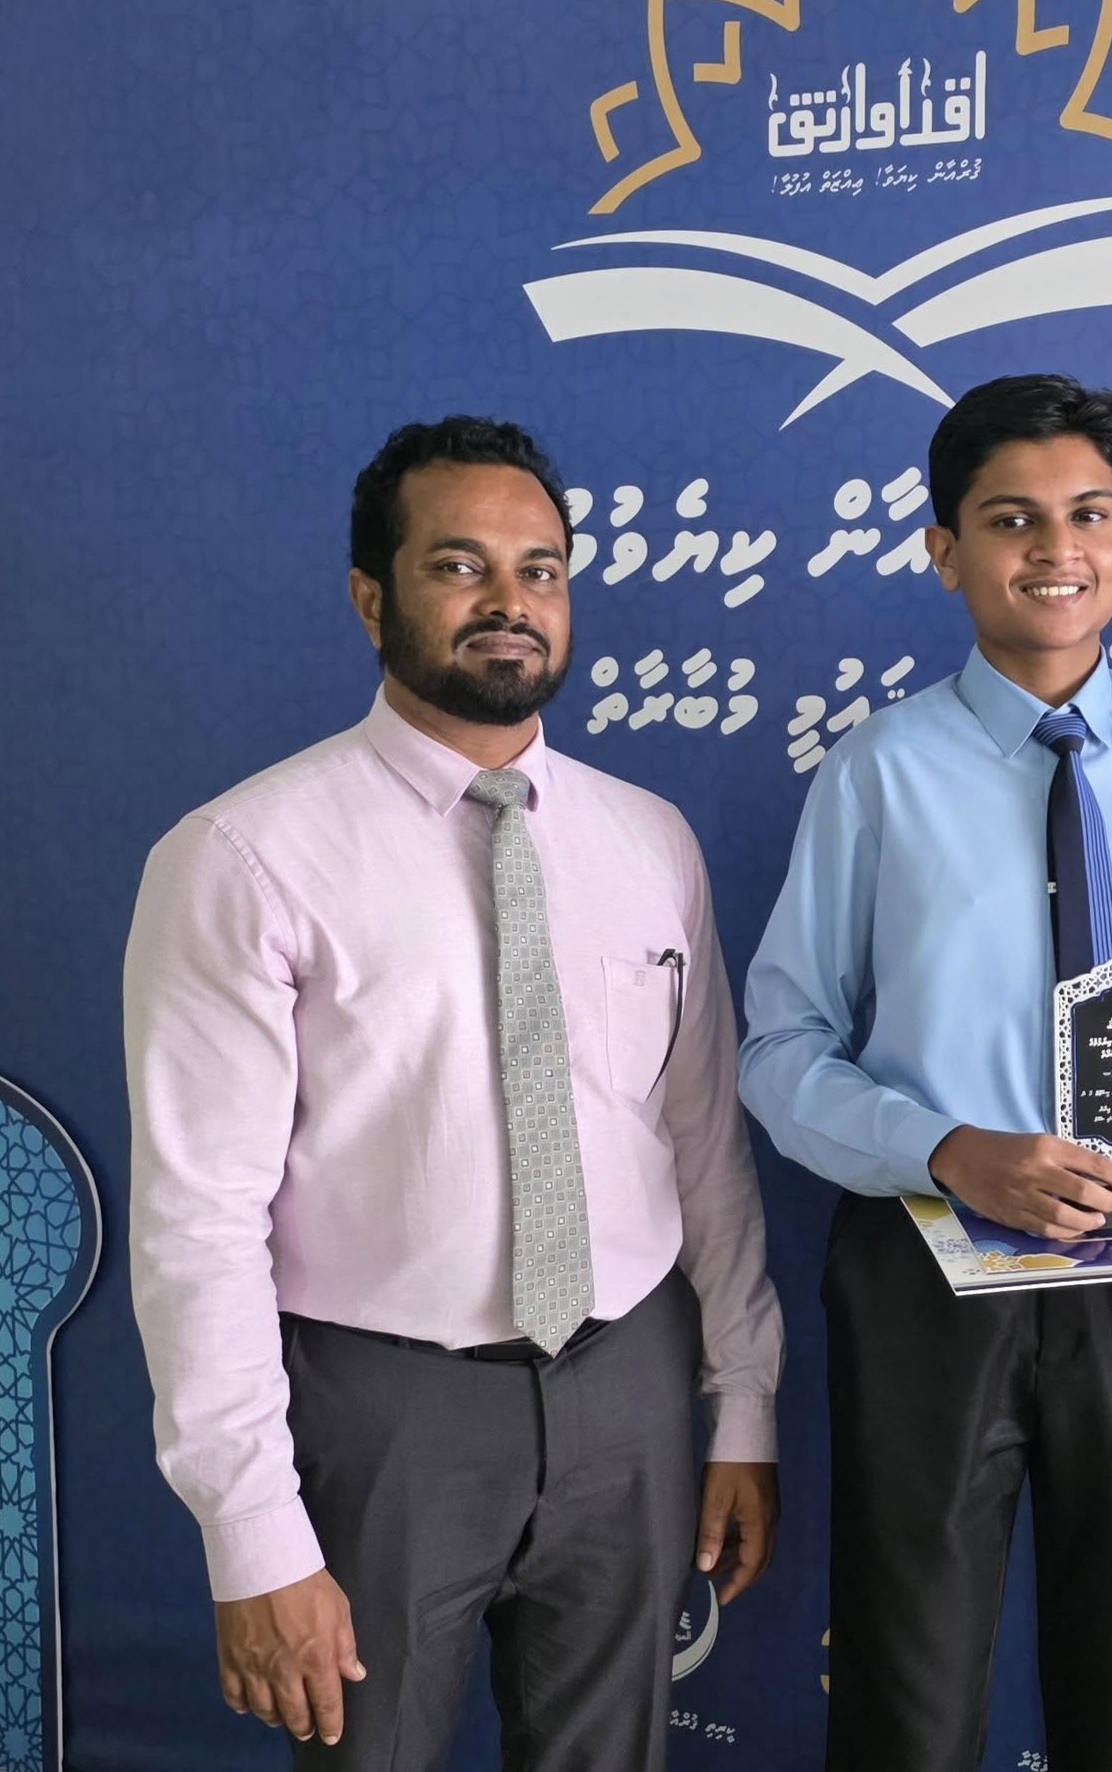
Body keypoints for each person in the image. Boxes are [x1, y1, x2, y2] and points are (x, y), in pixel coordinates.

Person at [125, 416, 783, 1770]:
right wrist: (251, 1531)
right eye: (458, 565)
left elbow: (701, 1140)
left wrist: (742, 1403)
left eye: (540, 569)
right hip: (381, 1414)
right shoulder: (242, 857)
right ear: (371, 596)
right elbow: (198, 1220)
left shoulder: (649, 840)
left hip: (630, 1384)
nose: (509, 601)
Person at [738, 373, 1112, 1772]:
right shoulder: (876, 772)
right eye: (1010, 519)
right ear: (945, 551)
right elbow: (782, 1048)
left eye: (1087, 514)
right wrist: (948, 1151)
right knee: (908, 1680)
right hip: (927, 1266)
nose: (1056, 549)